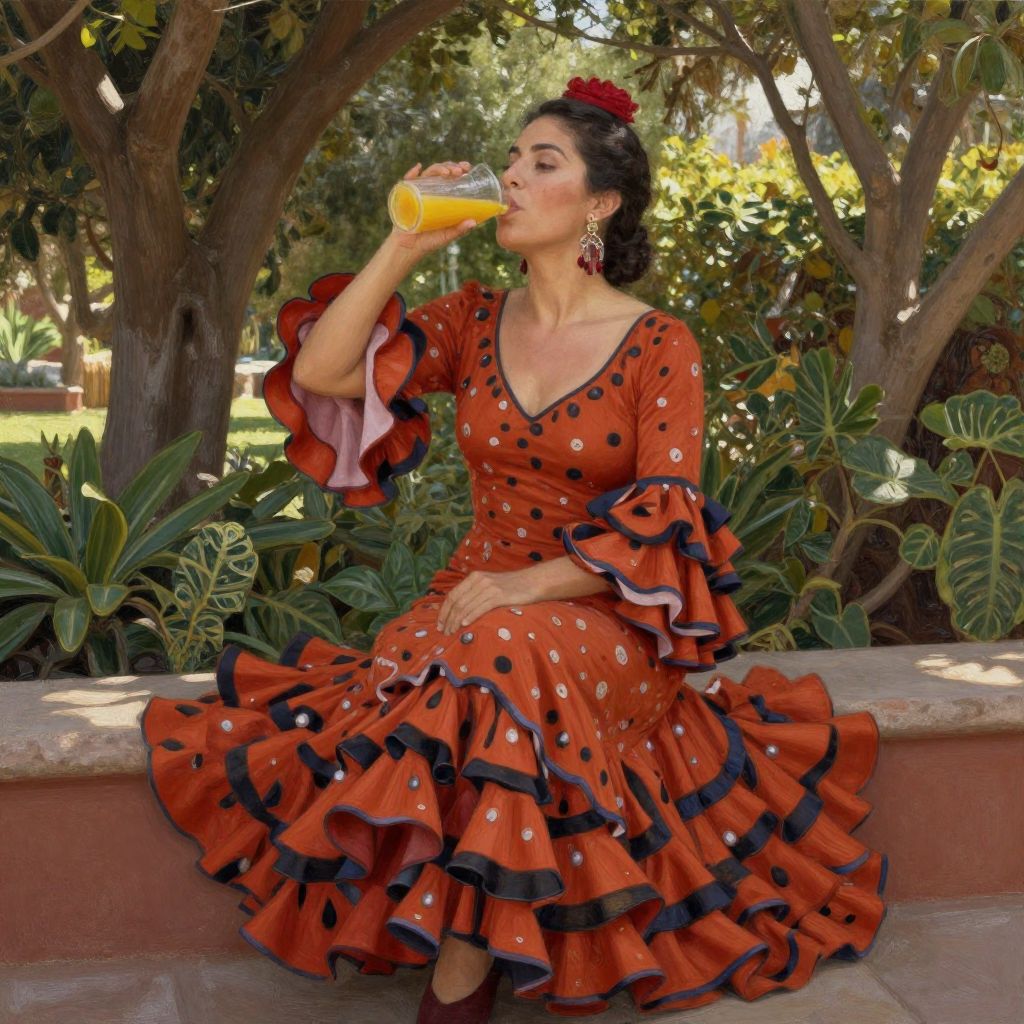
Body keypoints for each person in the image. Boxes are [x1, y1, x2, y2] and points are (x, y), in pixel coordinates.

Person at [140, 76, 888, 1023]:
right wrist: (403, 244)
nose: (513, 179)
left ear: (600, 203)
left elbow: (670, 528)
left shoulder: (660, 344)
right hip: (476, 598)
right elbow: (324, 372)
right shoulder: (471, 321)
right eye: (510, 161)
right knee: (483, 654)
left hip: (604, 613)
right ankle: (482, 948)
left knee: (500, 651)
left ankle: (459, 980)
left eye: (544, 163)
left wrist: (528, 586)